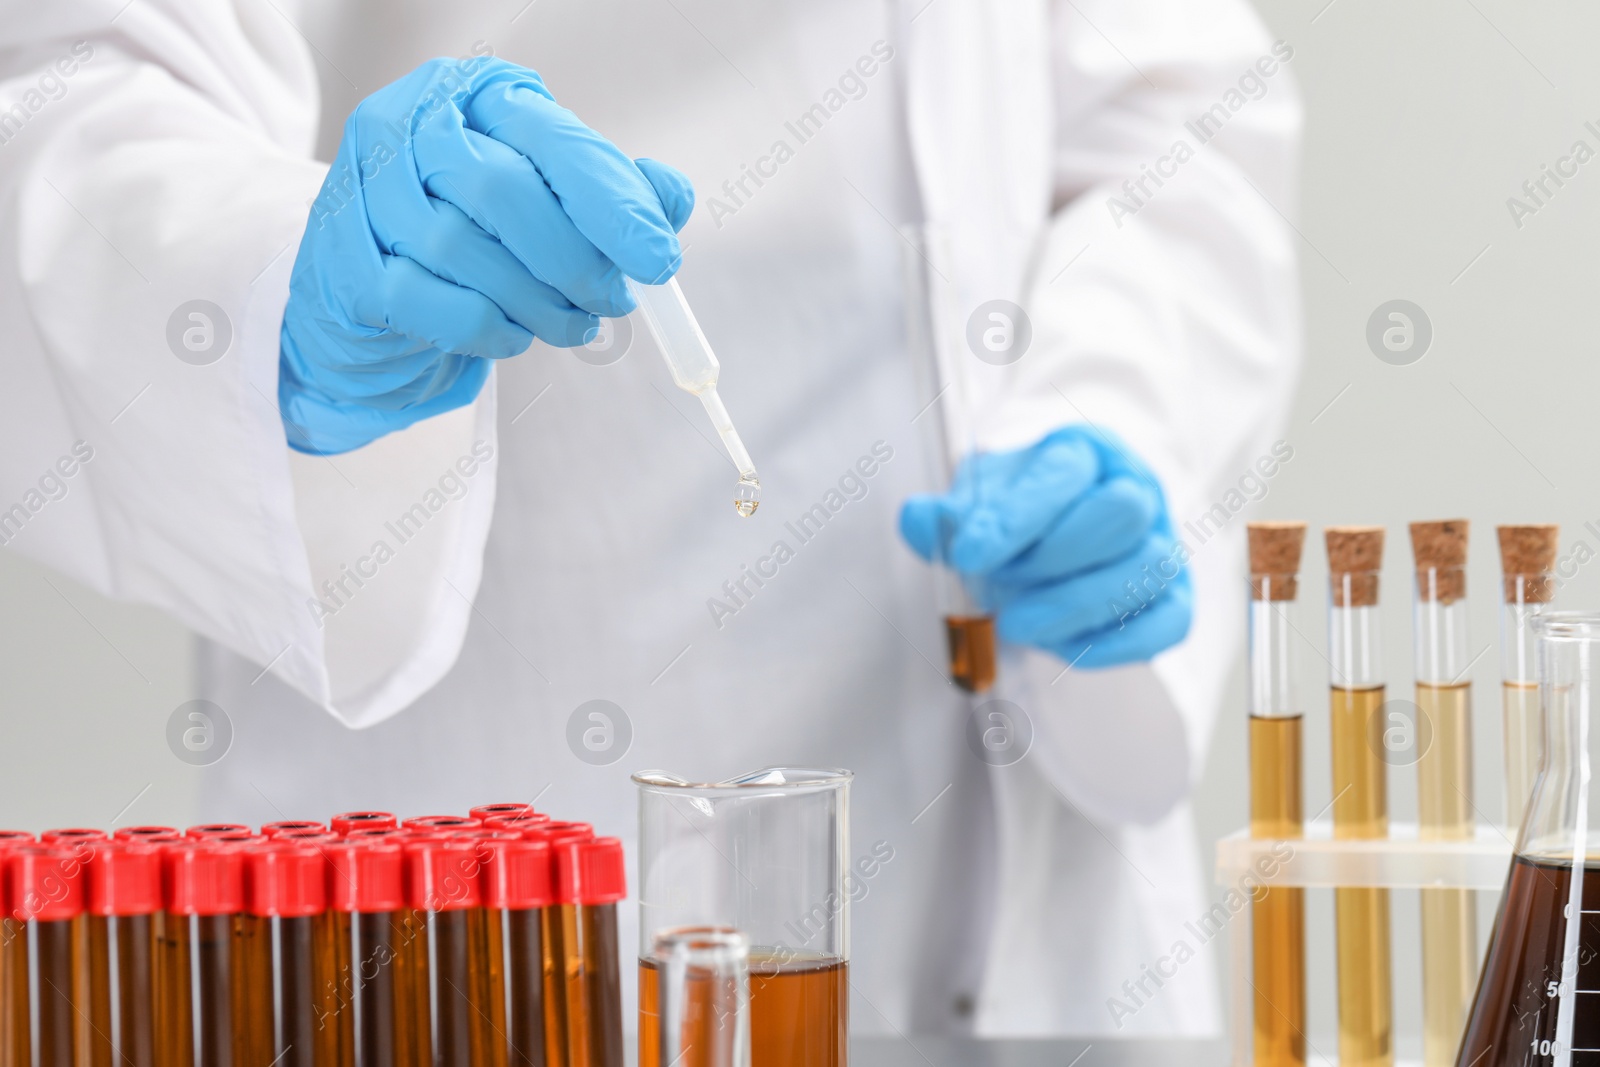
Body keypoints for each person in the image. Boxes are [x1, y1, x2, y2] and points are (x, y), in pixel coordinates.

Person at [0, 0, 1300, 1037]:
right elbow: (63, 92)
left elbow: (1172, 122)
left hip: (1050, 946)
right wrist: (272, 296)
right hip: (503, 889)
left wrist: (1118, 415)